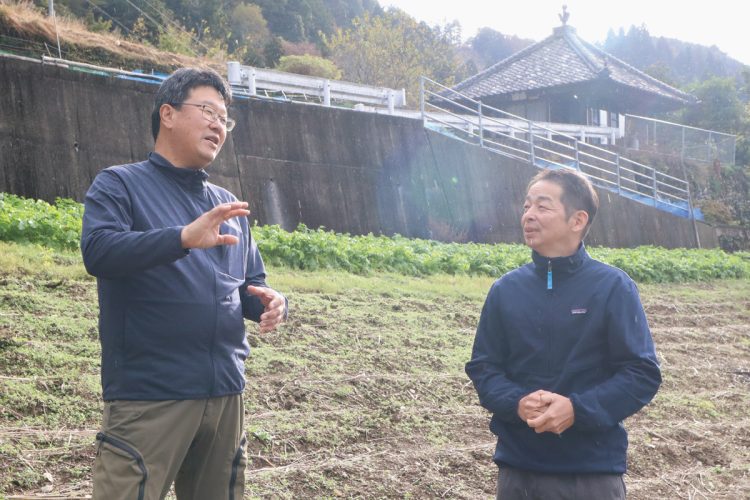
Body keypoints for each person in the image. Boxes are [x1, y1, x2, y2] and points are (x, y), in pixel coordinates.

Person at [81, 67, 287, 499]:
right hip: (150, 395)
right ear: (168, 114)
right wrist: (181, 238)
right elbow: (99, 251)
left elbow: (250, 282)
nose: (219, 125)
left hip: (226, 395)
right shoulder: (120, 183)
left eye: (225, 118)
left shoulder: (227, 204)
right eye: (208, 110)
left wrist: (268, 301)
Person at [465, 168, 661, 500]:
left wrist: (576, 410)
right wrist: (517, 403)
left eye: (542, 206)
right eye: (527, 206)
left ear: (577, 220)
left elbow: (640, 373)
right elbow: (484, 368)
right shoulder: (506, 290)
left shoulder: (612, 287)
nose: (529, 215)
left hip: (590, 474)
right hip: (519, 471)